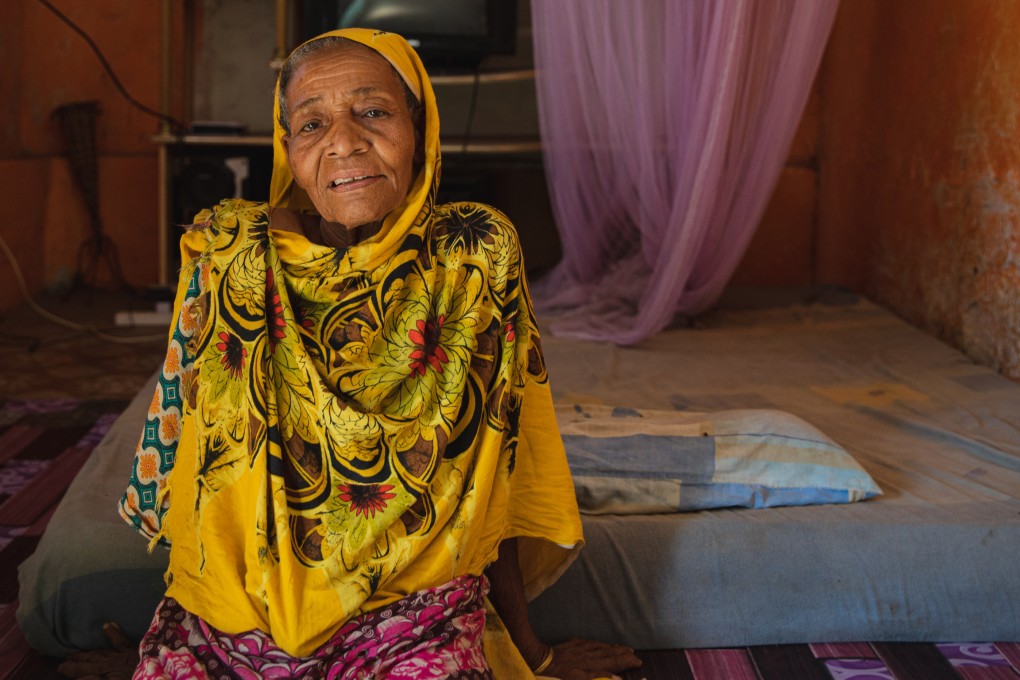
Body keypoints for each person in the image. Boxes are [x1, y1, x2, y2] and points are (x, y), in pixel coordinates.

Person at [81, 28, 642, 679]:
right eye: (312, 122)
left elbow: (499, 464)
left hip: (415, 622)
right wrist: (174, 645)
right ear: (287, 146)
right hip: (232, 629)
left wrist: (531, 651)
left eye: (373, 112)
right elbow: (202, 470)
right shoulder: (231, 249)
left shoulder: (474, 253)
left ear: (420, 127)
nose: (343, 142)